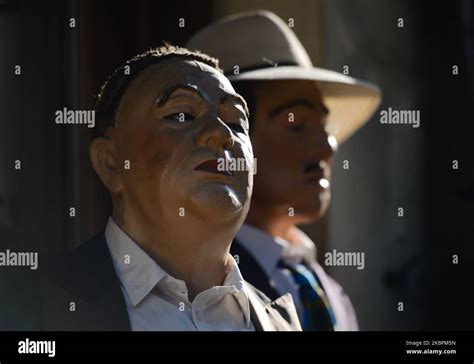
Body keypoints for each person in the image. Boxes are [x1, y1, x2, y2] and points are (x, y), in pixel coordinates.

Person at [33, 45, 301, 331]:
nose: (222, 134)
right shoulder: (37, 305)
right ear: (110, 162)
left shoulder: (281, 323)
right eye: (182, 114)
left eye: (236, 122)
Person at [187, 10, 382, 331]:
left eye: (324, 126)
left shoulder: (323, 286)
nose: (327, 147)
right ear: (228, 140)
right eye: (297, 125)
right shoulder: (199, 286)